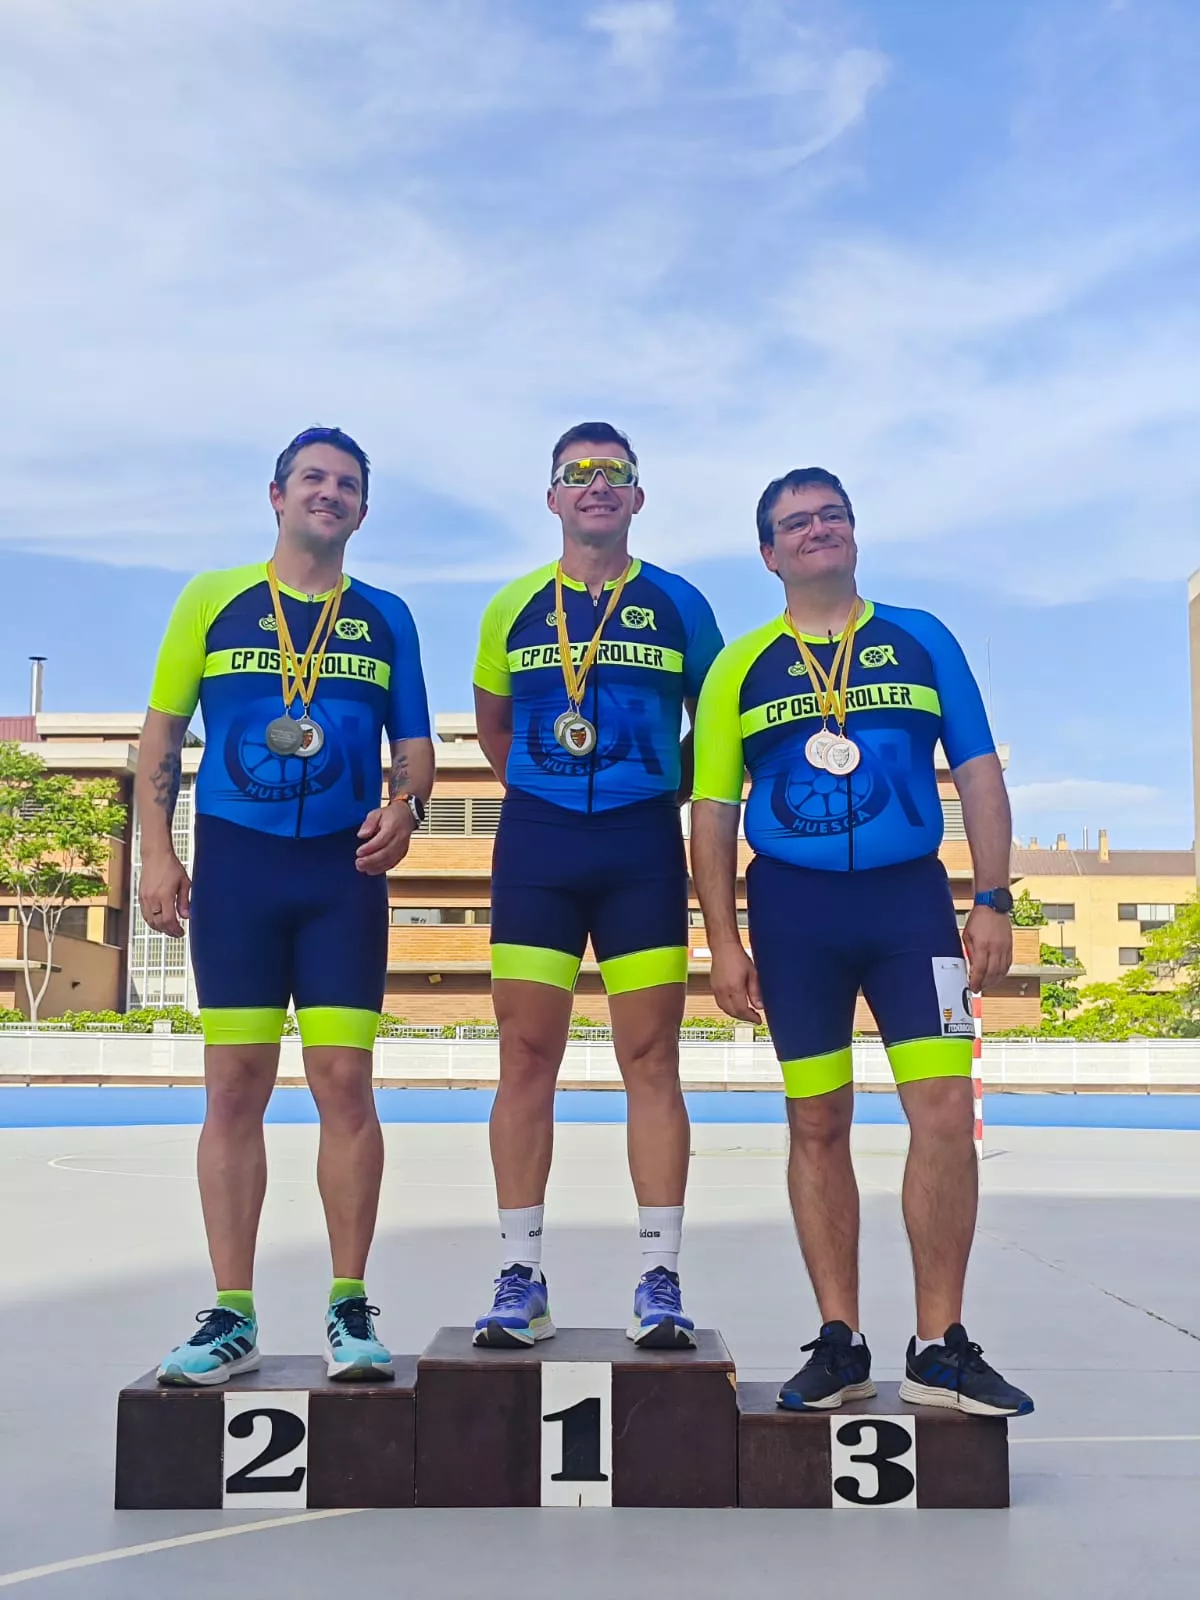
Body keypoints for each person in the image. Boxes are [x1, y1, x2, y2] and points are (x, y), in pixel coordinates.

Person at [690, 466, 1032, 1417]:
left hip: (910, 908)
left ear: (853, 531)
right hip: (794, 913)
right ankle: (840, 1341)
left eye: (830, 515)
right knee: (815, 1121)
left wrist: (993, 898)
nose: (815, 531)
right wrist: (722, 938)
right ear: (768, 552)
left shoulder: (922, 639)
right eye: (794, 523)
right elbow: (714, 812)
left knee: (939, 1107)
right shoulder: (739, 666)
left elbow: (978, 771)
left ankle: (939, 1343)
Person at [137, 426, 434, 1385]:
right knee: (234, 1090)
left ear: (362, 507)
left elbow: (417, 746)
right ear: (277, 495)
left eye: (348, 484)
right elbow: (162, 739)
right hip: (239, 871)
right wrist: (157, 855)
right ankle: (232, 1313)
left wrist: (409, 807)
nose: (330, 493)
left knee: (345, 1085)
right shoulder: (210, 599)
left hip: (342, 877)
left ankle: (350, 1306)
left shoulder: (386, 617)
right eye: (314, 478)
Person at [471, 422, 723, 1349]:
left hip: (641, 844)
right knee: (524, 1056)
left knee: (651, 1060)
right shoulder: (512, 608)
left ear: (637, 496)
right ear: (552, 499)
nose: (595, 486)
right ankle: (520, 1273)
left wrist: (652, 785)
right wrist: (549, 786)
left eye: (612, 473)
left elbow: (719, 726)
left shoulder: (680, 605)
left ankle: (659, 1275)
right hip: (538, 844)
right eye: (576, 475)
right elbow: (496, 730)